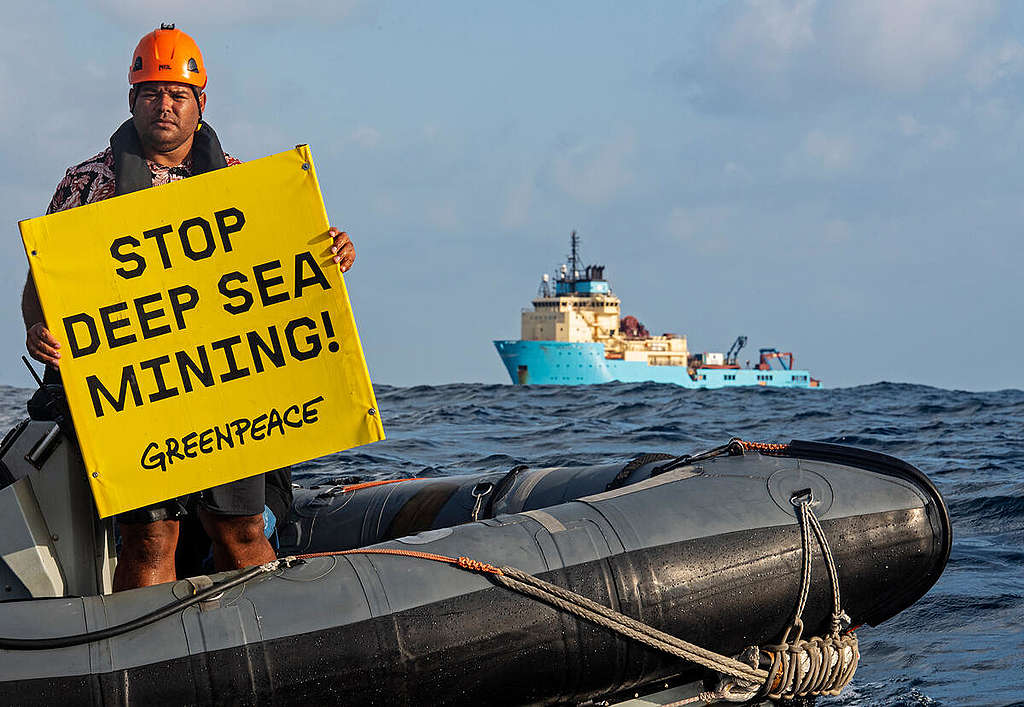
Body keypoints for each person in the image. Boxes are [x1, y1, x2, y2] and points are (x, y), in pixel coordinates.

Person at [21, 24, 356, 591]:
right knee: (151, 539)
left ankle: (266, 641)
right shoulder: (85, 184)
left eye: (178, 94)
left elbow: (282, 269)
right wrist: (37, 325)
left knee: (242, 529)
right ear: (132, 101)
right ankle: (140, 664)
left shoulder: (242, 182)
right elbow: (43, 277)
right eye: (151, 92)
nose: (164, 106)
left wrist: (330, 251)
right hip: (134, 398)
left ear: (200, 104)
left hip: (225, 391)